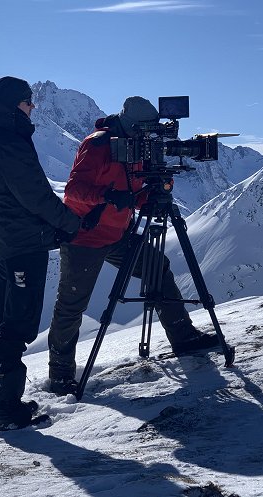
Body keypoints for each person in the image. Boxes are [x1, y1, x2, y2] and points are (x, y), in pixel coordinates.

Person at [47, 96, 220, 396]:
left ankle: (183, 337)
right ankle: (60, 376)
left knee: (159, 267)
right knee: (72, 305)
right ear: (132, 125)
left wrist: (153, 192)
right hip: (85, 237)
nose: (150, 136)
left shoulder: (138, 147)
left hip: (118, 233)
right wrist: (108, 197)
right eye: (146, 130)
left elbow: (134, 192)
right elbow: (74, 191)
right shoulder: (99, 144)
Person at [0, 76, 81, 430]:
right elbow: (35, 195)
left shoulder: (0, 136)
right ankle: (7, 411)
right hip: (22, 244)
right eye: (27, 101)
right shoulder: (10, 142)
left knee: (3, 322)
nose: (32, 106)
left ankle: (0, 404)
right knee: (17, 324)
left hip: (8, 242)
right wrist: (71, 222)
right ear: (12, 106)